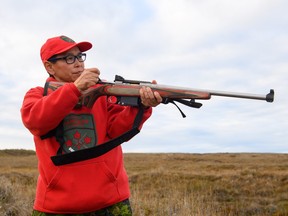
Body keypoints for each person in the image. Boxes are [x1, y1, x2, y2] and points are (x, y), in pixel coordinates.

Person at [20, 35, 162, 215]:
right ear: (49, 67)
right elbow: (36, 121)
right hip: (56, 207)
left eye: (80, 56)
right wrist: (74, 89)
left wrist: (142, 106)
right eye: (69, 58)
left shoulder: (101, 93)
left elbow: (117, 131)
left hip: (111, 202)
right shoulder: (38, 94)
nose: (79, 63)